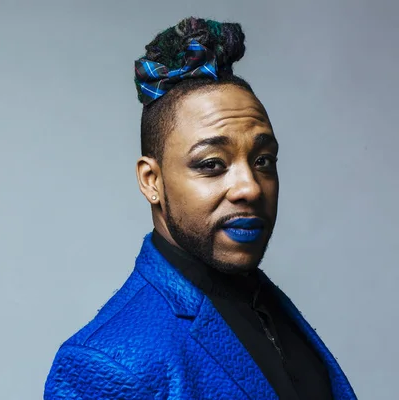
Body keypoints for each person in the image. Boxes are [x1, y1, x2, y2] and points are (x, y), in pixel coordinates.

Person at [44, 16, 356, 399]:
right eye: (212, 164)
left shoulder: (267, 306)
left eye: (263, 161)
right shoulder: (105, 364)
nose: (249, 188)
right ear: (151, 181)